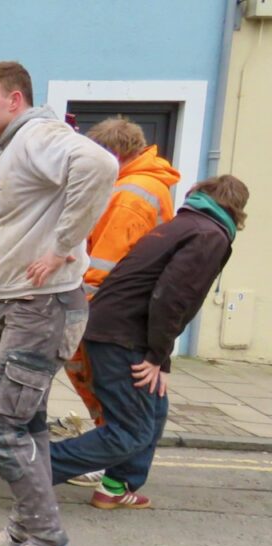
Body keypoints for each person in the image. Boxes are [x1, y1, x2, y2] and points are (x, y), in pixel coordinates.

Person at [0, 61, 117, 546]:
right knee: (27, 424)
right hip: (23, 302)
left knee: (0, 426)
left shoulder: (35, 135)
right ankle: (23, 531)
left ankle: (48, 542)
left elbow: (98, 164)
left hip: (41, 306)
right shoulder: (17, 144)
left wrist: (61, 246)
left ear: (15, 99)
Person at [50, 176, 248, 508]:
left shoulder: (183, 226)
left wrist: (160, 357)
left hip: (114, 328)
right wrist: (157, 356)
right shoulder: (209, 235)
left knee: (154, 410)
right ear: (237, 210)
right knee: (130, 430)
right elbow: (171, 297)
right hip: (123, 335)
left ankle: (115, 486)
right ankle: (34, 467)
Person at [62, 119, 180, 483]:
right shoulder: (148, 185)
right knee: (139, 404)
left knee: (105, 391)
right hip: (131, 315)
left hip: (108, 314)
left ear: (111, 155)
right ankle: (120, 479)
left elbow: (103, 265)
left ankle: (86, 463)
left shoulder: (129, 195)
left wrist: (79, 316)